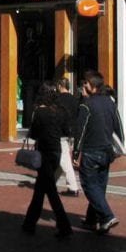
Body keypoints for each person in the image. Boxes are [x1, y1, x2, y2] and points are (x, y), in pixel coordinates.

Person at [73, 71, 122, 234]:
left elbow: (80, 131)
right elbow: (119, 127)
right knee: (99, 186)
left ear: (92, 85)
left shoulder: (86, 105)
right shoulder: (110, 102)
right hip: (107, 151)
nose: (83, 86)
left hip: (91, 151)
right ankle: (92, 220)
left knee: (89, 185)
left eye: (85, 83)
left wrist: (75, 153)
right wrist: (118, 147)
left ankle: (107, 216)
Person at [22, 83, 73, 239]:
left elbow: (34, 134)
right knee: (40, 189)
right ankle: (29, 223)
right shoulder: (61, 111)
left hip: (43, 153)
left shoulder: (40, 112)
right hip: (56, 152)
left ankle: (64, 225)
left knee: (50, 191)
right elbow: (66, 131)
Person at [54, 78, 81, 196]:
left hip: (61, 133)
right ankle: (49, 183)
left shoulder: (57, 99)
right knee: (61, 159)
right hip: (71, 133)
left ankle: (73, 187)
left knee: (64, 160)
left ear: (60, 86)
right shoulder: (75, 99)